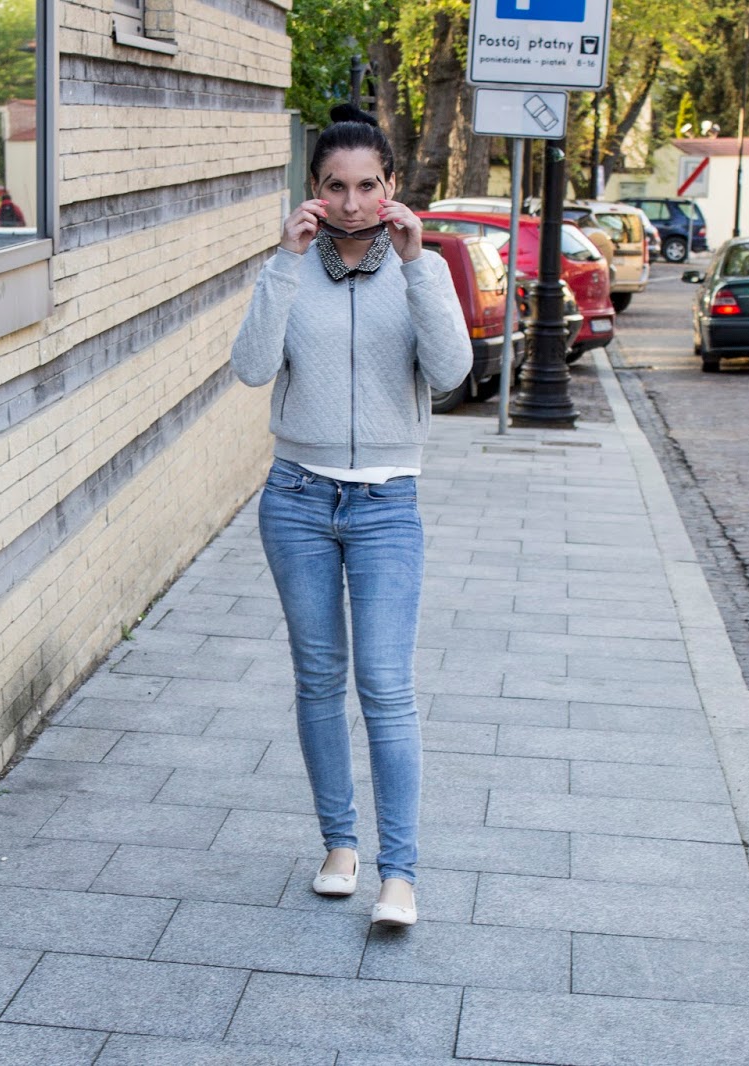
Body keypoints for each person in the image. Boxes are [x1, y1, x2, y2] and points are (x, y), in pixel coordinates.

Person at [230, 104, 472, 928]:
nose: (353, 202)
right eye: (335, 186)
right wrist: (283, 262)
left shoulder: (419, 267)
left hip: (386, 504)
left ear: (391, 186)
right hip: (297, 498)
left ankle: (399, 874)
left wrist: (416, 266)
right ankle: (340, 846)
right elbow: (251, 367)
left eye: (368, 184)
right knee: (318, 679)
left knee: (386, 686)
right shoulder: (292, 268)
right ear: (313, 190)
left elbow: (450, 371)